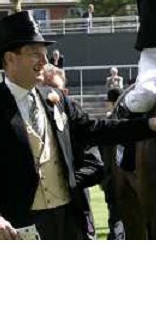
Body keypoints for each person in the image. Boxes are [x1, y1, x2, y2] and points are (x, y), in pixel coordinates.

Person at [0, 11, 156, 240]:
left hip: (69, 218)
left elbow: (95, 129)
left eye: (45, 55)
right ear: (9, 59)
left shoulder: (55, 98)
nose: (45, 63)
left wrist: (151, 125)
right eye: (35, 54)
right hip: (18, 225)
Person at [42, 64, 103, 240]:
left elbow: (96, 166)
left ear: (65, 93)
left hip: (74, 208)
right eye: (44, 88)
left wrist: (66, 181)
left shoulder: (76, 118)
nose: (49, 94)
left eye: (54, 89)